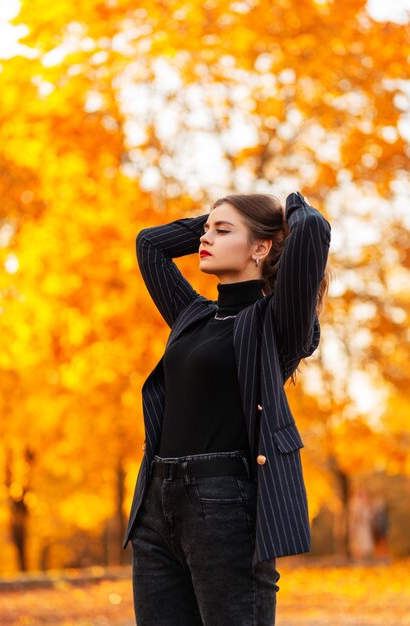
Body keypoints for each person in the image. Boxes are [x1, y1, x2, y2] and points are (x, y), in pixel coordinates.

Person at [123, 191, 331, 625]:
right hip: (156, 504)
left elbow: (312, 231)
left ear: (261, 247)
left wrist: (283, 211)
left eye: (222, 231)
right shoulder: (192, 315)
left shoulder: (275, 323)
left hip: (224, 506)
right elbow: (149, 244)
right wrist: (219, 217)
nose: (205, 237)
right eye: (205, 229)